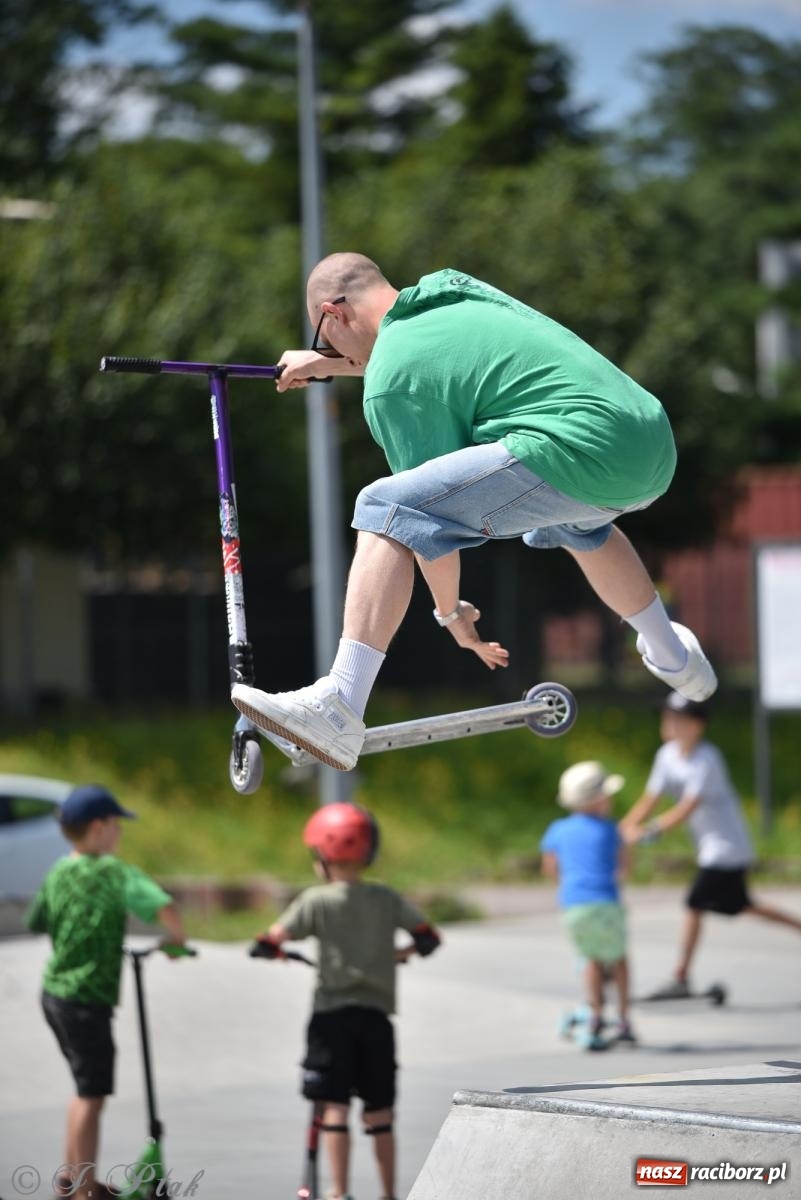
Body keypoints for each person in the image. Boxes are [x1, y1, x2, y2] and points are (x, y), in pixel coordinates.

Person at [232, 253, 717, 770]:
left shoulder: (392, 386)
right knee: (575, 521)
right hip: (647, 442)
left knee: (382, 503)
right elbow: (437, 358)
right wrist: (329, 363)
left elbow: (421, 523)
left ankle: (341, 703)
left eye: (324, 338)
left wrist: (450, 613)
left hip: (576, 449)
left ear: (334, 311)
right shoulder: (450, 288)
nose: (329, 350)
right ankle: (673, 654)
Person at [250, 801, 441, 1200]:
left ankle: (338, 1192)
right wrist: (394, 956)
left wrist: (271, 949)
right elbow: (427, 937)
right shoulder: (386, 899)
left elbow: (273, 938)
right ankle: (388, 1194)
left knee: (334, 1106)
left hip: (330, 1017)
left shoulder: (316, 900)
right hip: (376, 1019)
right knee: (380, 1114)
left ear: (321, 853)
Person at [26, 784, 187, 1200]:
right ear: (98, 828)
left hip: (54, 994)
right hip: (86, 1000)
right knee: (92, 1095)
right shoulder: (114, 873)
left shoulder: (59, 871)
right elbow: (162, 905)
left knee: (82, 1088)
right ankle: (82, 1191)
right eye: (115, 825)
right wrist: (175, 939)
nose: (118, 833)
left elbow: (37, 919)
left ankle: (71, 1179)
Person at [622, 692, 801, 997]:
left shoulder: (707, 760)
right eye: (668, 718)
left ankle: (680, 977)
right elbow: (650, 798)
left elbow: (686, 808)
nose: (671, 724)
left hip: (727, 847)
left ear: (698, 726)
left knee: (694, 904)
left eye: (679, 719)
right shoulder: (666, 755)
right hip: (711, 848)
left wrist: (646, 833)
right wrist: (623, 826)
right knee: (743, 906)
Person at [540, 761, 635, 1049]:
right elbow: (625, 866)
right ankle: (622, 1017)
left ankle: (595, 1014)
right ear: (597, 800)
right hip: (606, 900)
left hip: (574, 905)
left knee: (590, 958)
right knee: (618, 958)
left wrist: (569, 885)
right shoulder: (611, 830)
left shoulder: (558, 829)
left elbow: (550, 867)